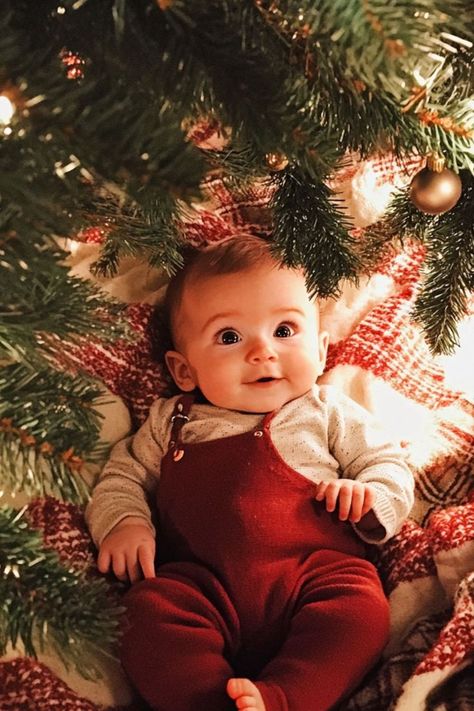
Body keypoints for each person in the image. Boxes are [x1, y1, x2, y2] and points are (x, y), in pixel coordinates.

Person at [86, 234, 414, 711]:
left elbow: (388, 464)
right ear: (184, 371)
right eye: (229, 337)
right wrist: (125, 523)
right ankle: (211, 701)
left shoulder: (325, 411)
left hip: (317, 579)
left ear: (321, 350)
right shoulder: (172, 420)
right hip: (201, 587)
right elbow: (122, 478)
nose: (262, 352)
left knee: (361, 615)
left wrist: (368, 496)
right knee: (145, 613)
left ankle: (284, 699)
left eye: (284, 330)